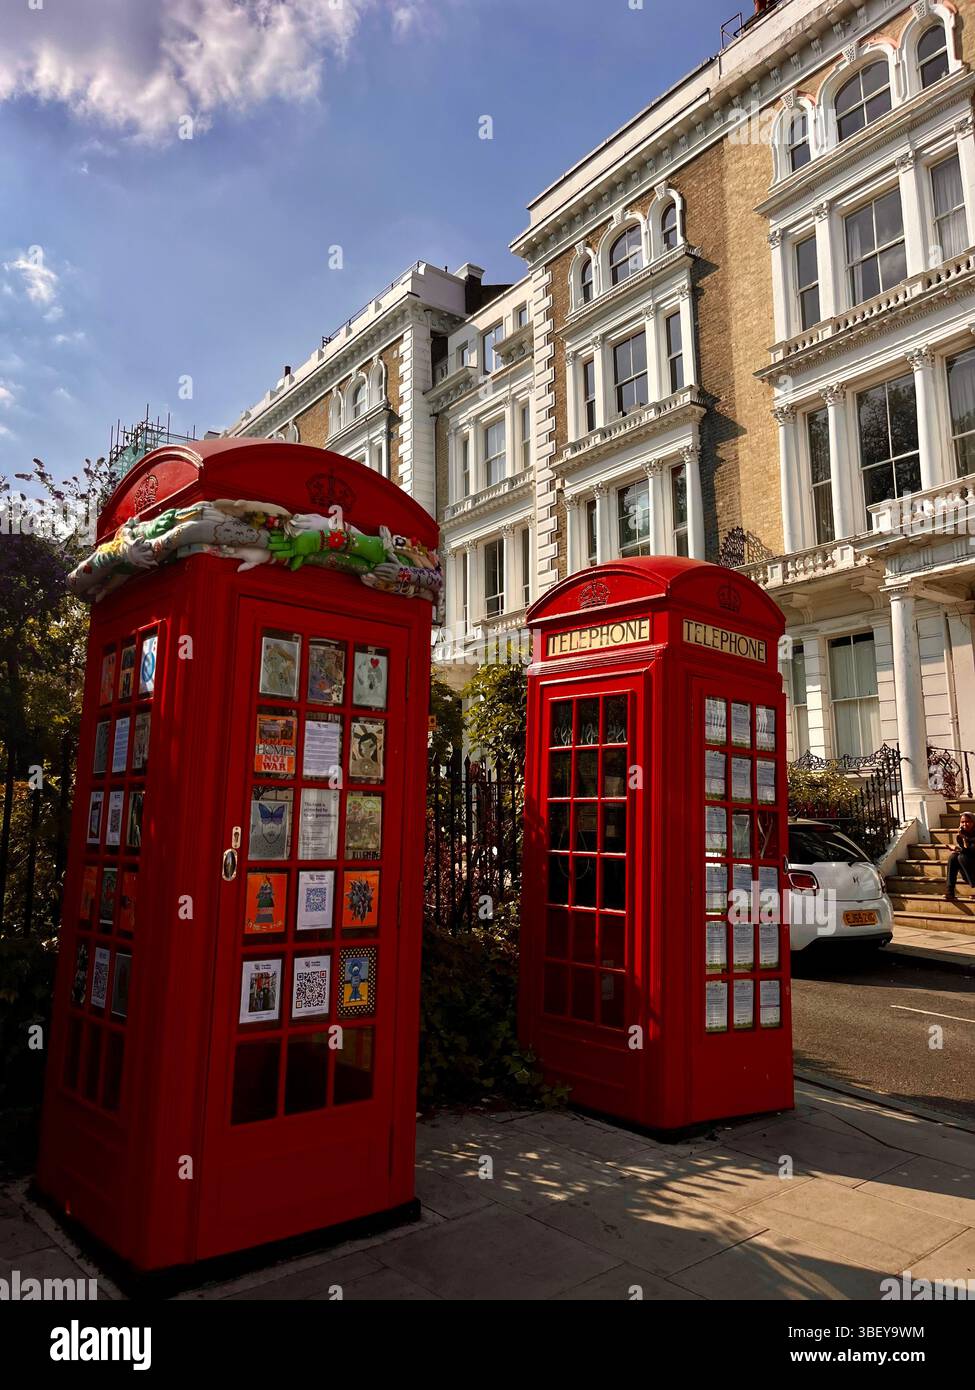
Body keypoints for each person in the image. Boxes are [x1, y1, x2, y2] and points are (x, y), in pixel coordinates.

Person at [944, 811, 975, 899]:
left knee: (961, 857)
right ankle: (950, 891)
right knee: (953, 857)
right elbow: (966, 852)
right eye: (962, 822)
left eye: (968, 822)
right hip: (970, 866)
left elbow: (970, 851)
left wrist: (960, 847)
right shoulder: (961, 835)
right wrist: (958, 849)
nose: (965, 824)